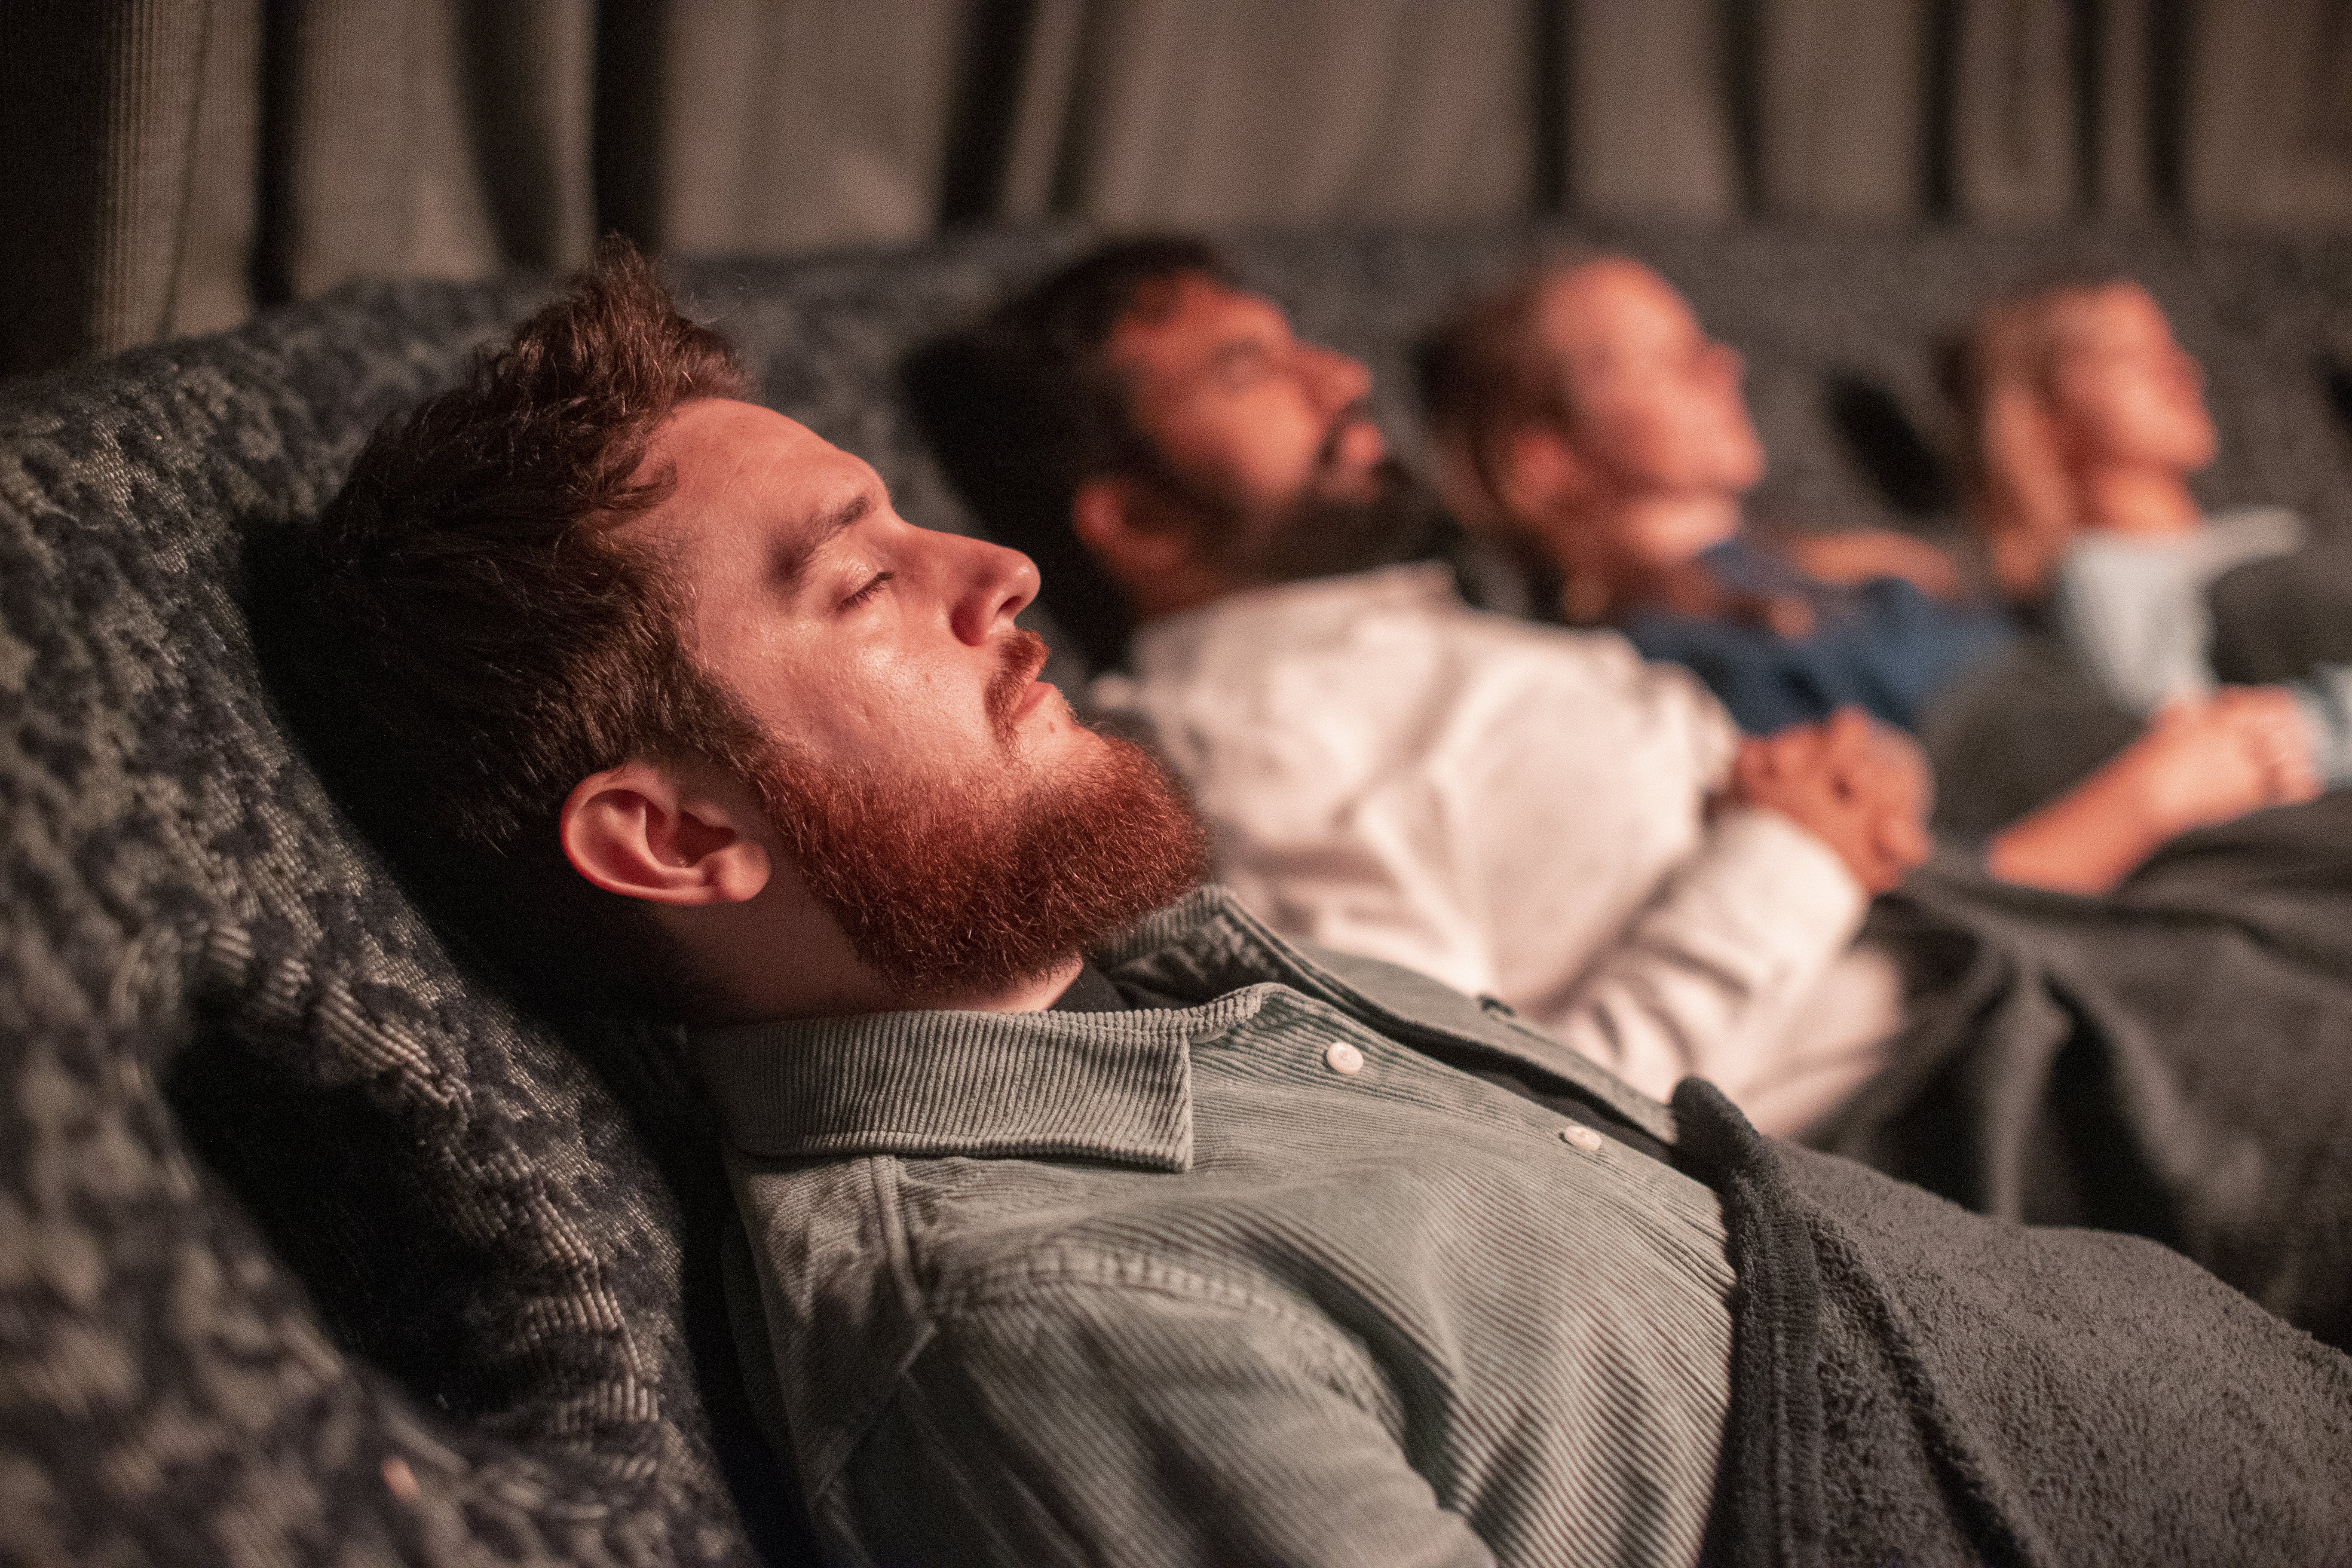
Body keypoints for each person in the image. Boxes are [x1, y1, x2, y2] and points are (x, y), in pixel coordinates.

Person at [277, 237, 2352, 1568]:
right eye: (856, 577)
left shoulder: (1199, 994)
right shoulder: (1028, 1328)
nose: (990, 574)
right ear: (671, 841)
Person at [1418, 254, 2320, 891]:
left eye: (1704, 343)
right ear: (1547, 462)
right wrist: (2156, 792)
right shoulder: (1673, 663)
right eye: (1663, 360)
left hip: (2229, 782)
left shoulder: (1848, 575)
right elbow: (1915, 907)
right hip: (2162, 847)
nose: (1722, 366)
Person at [1956, 276, 2352, 786]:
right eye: (2128, 358)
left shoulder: (2268, 526)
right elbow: (2190, 741)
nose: (2181, 370)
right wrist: (2318, 728)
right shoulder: (2102, 570)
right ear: (2048, 418)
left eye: (2169, 348)